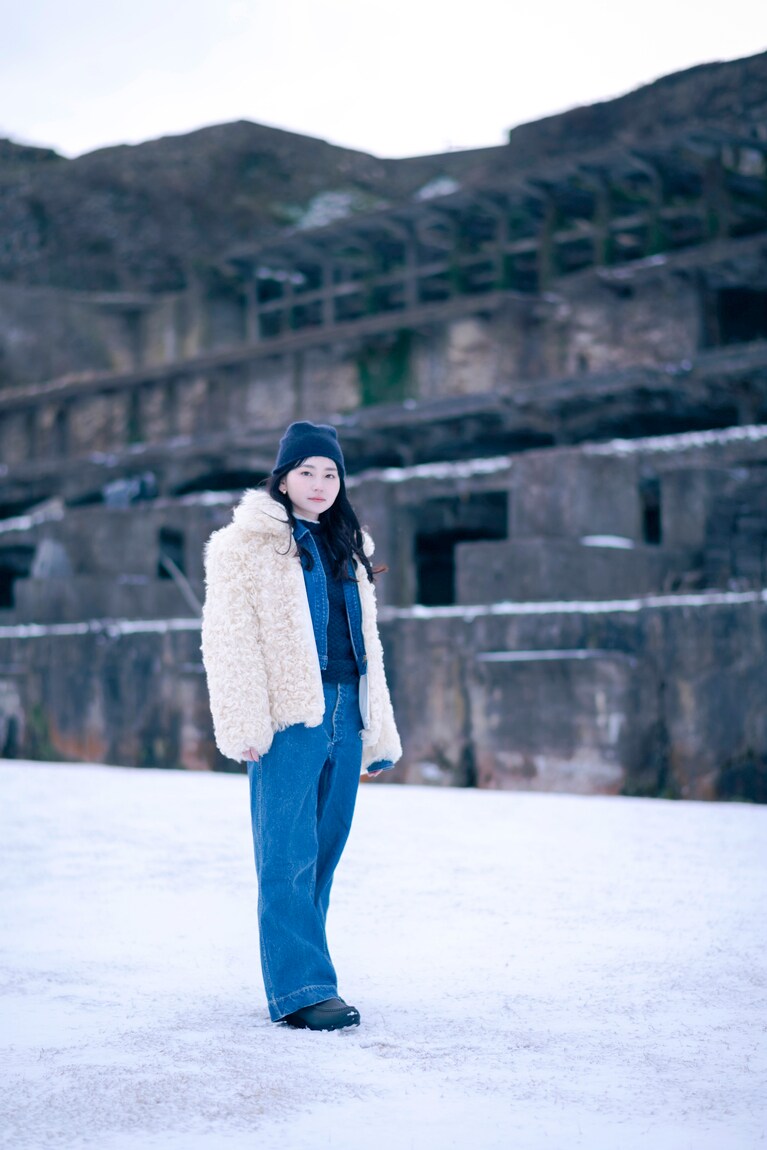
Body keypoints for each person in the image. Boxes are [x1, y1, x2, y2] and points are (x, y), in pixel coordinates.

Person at [201, 421, 402, 1031]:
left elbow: (369, 644)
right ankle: (303, 988)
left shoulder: (350, 545)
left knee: (325, 849)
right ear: (283, 478)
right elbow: (228, 639)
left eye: (331, 473)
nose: (319, 484)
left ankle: (304, 974)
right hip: (290, 713)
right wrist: (245, 720)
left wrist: (377, 726)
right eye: (307, 472)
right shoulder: (244, 545)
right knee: (286, 851)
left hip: (347, 708)